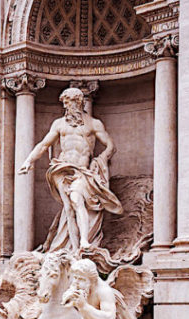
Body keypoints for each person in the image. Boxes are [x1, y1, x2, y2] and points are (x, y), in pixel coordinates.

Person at [20, 87, 123, 253]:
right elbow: (44, 144)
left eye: (70, 102)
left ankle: (84, 240)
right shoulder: (59, 124)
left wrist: (101, 159)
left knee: (76, 198)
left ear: (80, 102)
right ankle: (74, 250)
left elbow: (110, 145)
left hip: (81, 170)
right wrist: (29, 160)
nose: (67, 107)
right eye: (66, 103)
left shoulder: (93, 123)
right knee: (68, 209)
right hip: (61, 169)